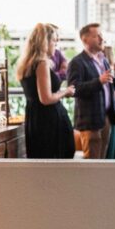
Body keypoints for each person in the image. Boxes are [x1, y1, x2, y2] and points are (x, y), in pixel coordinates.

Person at [16, 23, 75, 159]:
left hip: (34, 118)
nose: (56, 44)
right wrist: (66, 92)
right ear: (44, 42)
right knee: (56, 160)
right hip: (48, 120)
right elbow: (46, 99)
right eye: (54, 40)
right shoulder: (42, 63)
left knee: (40, 160)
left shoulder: (26, 64)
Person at [67, 23, 115, 159]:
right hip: (90, 121)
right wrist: (99, 81)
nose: (101, 39)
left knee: (102, 162)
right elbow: (74, 89)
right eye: (97, 36)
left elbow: (108, 88)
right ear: (85, 39)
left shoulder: (103, 60)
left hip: (106, 118)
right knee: (92, 164)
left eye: (101, 35)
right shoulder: (77, 62)